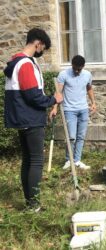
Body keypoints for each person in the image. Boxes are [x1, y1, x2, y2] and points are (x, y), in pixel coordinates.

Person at [3, 28, 63, 211]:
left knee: (28, 160)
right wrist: (54, 100)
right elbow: (33, 97)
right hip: (30, 118)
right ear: (38, 44)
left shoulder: (16, 61)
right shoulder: (26, 65)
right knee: (36, 161)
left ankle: (30, 203)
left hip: (22, 118)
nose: (41, 52)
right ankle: (34, 204)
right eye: (42, 48)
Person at [49, 55, 96, 170]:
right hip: (69, 110)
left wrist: (93, 103)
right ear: (72, 65)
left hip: (83, 109)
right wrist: (54, 108)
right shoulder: (64, 75)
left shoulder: (87, 75)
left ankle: (77, 160)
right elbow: (58, 92)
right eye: (74, 68)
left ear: (83, 67)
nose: (76, 70)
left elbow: (89, 88)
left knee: (80, 136)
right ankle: (68, 160)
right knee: (71, 137)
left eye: (79, 69)